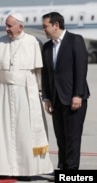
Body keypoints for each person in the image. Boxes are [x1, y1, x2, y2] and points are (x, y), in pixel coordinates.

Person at [0, 13, 53, 179]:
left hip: (26, 94)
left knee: (25, 133)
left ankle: (25, 170)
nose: (7, 29)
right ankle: (2, 169)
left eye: (10, 26)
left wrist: (44, 94)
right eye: (6, 25)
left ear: (21, 26)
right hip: (2, 93)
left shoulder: (33, 42)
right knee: (2, 132)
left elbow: (40, 72)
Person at [41, 12, 90, 171]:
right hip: (56, 99)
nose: (44, 30)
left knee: (73, 138)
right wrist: (46, 97)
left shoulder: (75, 40)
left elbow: (81, 70)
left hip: (73, 98)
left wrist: (78, 95)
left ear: (56, 25)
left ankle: (71, 171)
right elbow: (46, 73)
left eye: (45, 26)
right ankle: (63, 168)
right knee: (61, 138)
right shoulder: (47, 46)